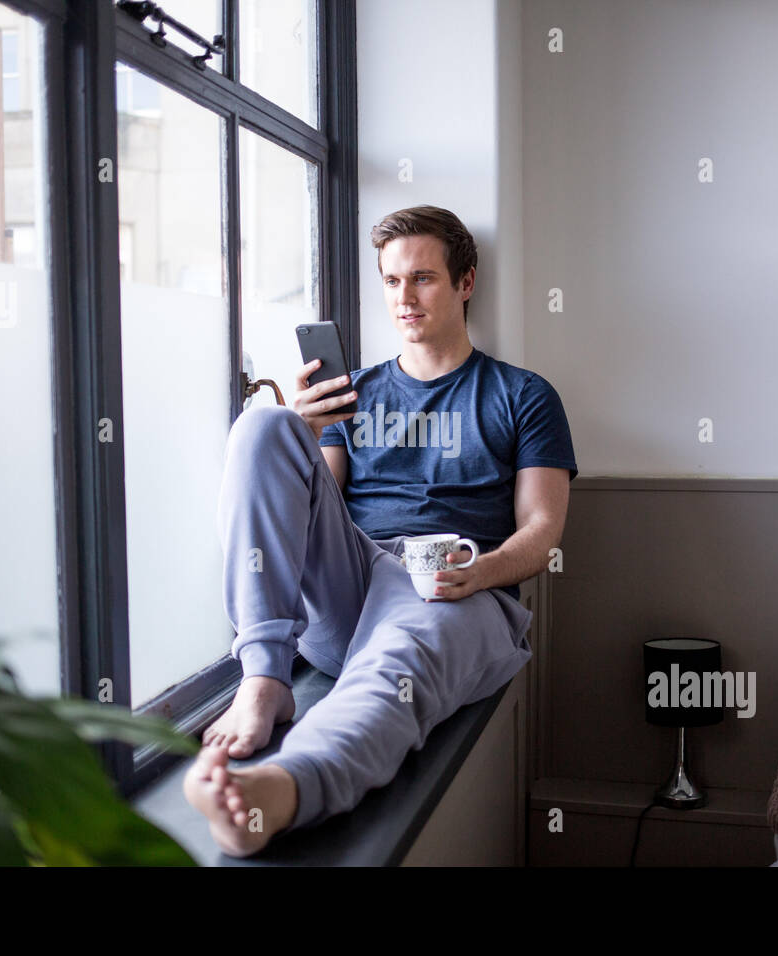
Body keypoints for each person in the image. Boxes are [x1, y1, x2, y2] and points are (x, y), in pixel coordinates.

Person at [183, 205, 577, 857]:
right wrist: (303, 434)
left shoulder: (522, 395)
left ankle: (279, 791)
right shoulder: (354, 390)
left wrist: (476, 573)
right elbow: (317, 505)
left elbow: (543, 530)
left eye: (422, 278)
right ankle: (264, 679)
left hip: (455, 591)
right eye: (391, 281)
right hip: (354, 583)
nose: (404, 298)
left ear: (465, 283)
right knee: (264, 426)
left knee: (399, 664)